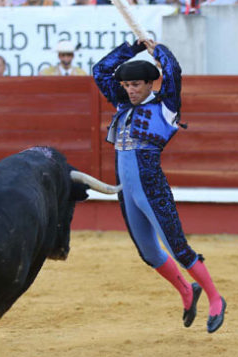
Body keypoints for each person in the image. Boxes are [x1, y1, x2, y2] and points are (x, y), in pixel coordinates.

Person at [92, 39, 227, 333]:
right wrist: (132, 48)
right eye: (126, 84)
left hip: (152, 189)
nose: (130, 89)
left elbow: (174, 71)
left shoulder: (166, 106)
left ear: (151, 83)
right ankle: (187, 292)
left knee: (178, 249)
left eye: (136, 84)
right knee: (149, 253)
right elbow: (100, 71)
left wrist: (159, 52)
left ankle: (216, 299)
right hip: (127, 191)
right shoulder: (123, 103)